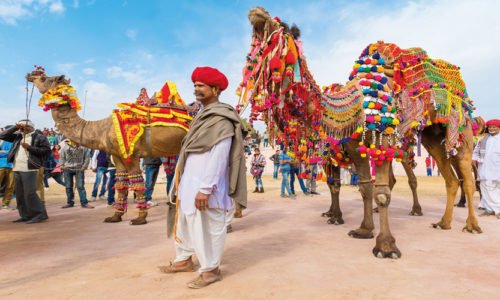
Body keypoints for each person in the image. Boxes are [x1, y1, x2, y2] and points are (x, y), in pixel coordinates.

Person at [161, 66, 247, 289]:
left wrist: (205, 188)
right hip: (189, 182)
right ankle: (184, 260)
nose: (196, 89)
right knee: (186, 224)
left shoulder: (221, 118)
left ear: (215, 89)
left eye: (201, 85)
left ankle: (211, 270)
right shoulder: (201, 116)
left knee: (206, 227)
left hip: (206, 185)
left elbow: (219, 156)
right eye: (195, 85)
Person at [0, 120, 50, 223]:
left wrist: (30, 148)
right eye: (21, 127)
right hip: (16, 167)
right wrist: (15, 127)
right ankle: (25, 215)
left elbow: (46, 151)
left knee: (30, 193)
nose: (22, 129)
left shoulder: (39, 137)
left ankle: (39, 214)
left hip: (30, 168)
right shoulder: (18, 136)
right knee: (20, 194)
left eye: (24, 126)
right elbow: (2, 135)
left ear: (31, 127)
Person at [472, 119, 500, 218]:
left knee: (493, 189)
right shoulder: (483, 139)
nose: (492, 129)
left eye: (494, 127)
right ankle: (489, 209)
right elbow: (476, 151)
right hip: (483, 168)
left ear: (499, 128)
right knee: (484, 188)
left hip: (496, 169)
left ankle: (498, 209)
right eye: (490, 127)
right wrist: (473, 159)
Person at [59, 140, 93, 209]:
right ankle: (70, 202)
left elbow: (87, 157)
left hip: (79, 169)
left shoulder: (84, 147)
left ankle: (84, 203)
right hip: (67, 169)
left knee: (80, 186)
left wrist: (84, 167)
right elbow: (61, 157)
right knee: (68, 187)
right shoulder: (65, 146)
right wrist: (62, 165)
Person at [0, 137, 15, 209]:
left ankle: (5, 203)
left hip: (12, 165)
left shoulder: (16, 141)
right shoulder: (1, 140)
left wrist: (3, 152)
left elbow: (14, 153)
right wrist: (9, 152)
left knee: (10, 185)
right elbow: (12, 153)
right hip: (1, 165)